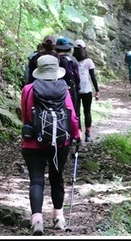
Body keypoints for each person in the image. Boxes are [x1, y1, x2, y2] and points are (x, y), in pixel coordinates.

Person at [21, 54, 82, 235]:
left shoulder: (28, 89)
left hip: (32, 142)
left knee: (36, 181)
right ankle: (58, 218)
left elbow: (25, 116)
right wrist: (76, 135)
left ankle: (37, 220)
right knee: (57, 179)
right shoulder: (64, 89)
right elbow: (71, 116)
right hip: (60, 143)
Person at [73, 40, 100, 141]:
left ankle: (78, 134)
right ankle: (88, 135)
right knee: (87, 112)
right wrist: (97, 90)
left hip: (76, 90)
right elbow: (93, 77)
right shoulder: (89, 61)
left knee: (77, 112)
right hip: (87, 89)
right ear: (84, 49)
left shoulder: (72, 60)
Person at [53, 36, 81, 110]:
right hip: (70, 87)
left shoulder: (54, 59)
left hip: (55, 88)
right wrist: (77, 86)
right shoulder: (73, 60)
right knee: (72, 109)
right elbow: (77, 76)